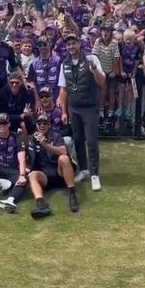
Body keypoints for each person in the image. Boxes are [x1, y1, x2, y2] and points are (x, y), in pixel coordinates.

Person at [58, 33, 105, 190]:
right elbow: (63, 90)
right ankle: (84, 170)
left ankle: (94, 174)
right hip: (73, 108)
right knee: (78, 139)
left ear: (79, 44)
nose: (71, 47)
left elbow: (102, 81)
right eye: (68, 44)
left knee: (91, 141)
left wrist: (94, 70)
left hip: (90, 107)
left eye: (73, 43)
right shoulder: (64, 63)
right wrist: (64, 112)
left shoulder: (92, 59)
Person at [25, 112, 79, 219]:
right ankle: (41, 204)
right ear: (36, 125)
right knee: (32, 175)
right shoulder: (31, 138)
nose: (42, 125)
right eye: (39, 123)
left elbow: (63, 151)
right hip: (45, 176)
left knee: (63, 158)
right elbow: (27, 158)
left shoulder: (55, 136)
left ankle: (72, 195)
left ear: (49, 125)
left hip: (60, 173)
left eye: (44, 123)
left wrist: (46, 146)